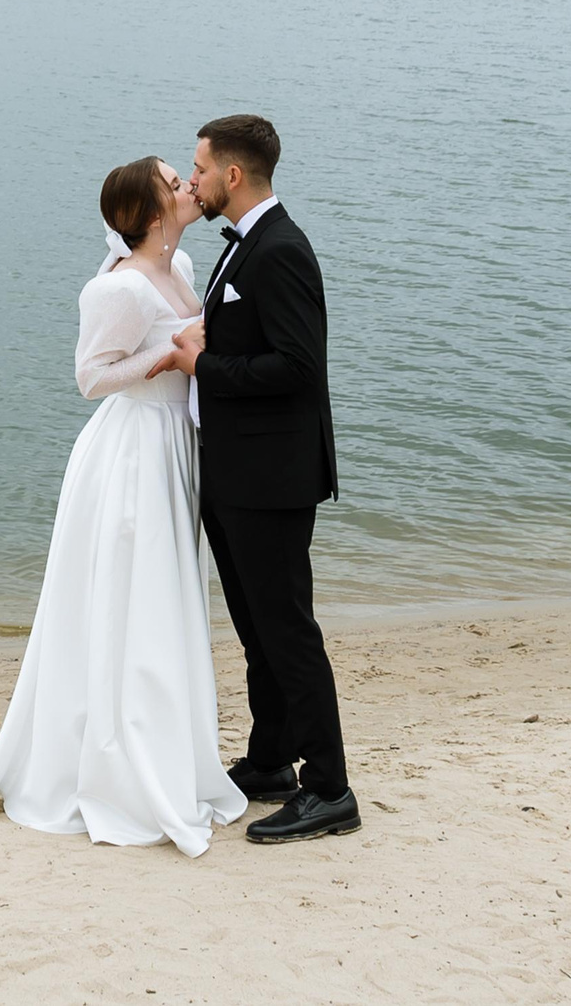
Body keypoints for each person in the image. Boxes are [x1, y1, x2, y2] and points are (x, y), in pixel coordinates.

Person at [0, 157, 249, 854]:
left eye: (188, 175)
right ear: (152, 214)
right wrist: (169, 358)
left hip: (171, 447)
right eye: (174, 181)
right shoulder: (116, 288)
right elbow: (90, 379)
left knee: (161, 603)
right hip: (131, 456)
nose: (188, 186)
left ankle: (166, 752)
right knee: (131, 602)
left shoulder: (177, 271)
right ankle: (114, 765)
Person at [166, 113, 358, 844]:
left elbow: (301, 369)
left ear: (233, 175)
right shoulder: (244, 248)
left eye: (201, 168)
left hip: (272, 478)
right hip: (238, 472)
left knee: (287, 632)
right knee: (257, 633)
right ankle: (273, 760)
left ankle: (331, 787)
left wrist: (199, 367)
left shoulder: (279, 251)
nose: (193, 181)